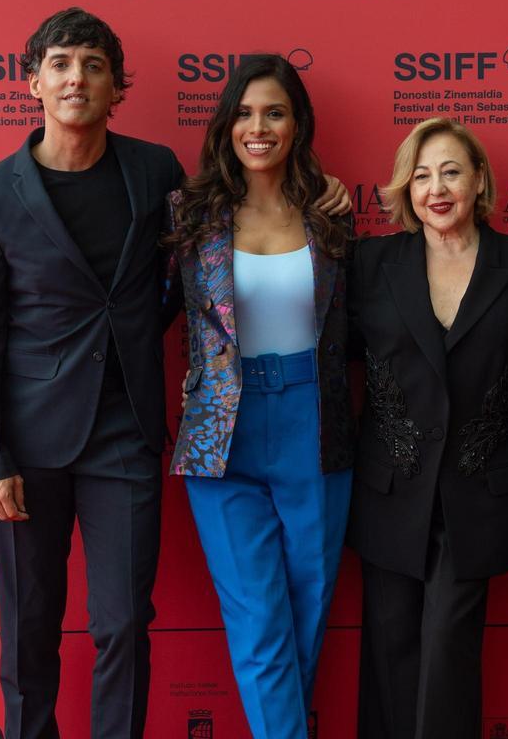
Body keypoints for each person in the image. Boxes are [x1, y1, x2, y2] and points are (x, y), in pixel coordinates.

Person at [0, 7, 183, 739]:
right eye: (60, 63)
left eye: (93, 63)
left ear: (117, 85)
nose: (76, 76)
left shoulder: (156, 171)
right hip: (28, 442)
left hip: (126, 432)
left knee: (122, 624)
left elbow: (195, 271)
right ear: (32, 83)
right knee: (29, 627)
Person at [162, 54, 354, 739]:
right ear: (225, 124)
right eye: (244, 113)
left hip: (315, 425)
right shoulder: (191, 215)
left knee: (305, 617)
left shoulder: (331, 214)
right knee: (260, 623)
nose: (258, 127)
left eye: (274, 112)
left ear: (296, 123)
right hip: (224, 438)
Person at [348, 118, 508, 739]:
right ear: (406, 188)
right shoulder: (370, 261)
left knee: (447, 650)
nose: (436, 187)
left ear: (480, 180)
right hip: (390, 486)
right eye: (422, 174)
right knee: (390, 650)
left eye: (451, 171)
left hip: (476, 490)